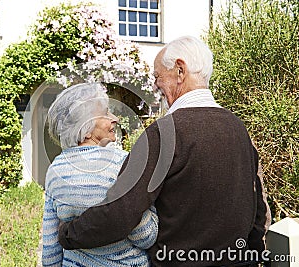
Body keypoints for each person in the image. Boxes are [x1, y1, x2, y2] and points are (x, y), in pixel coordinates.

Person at [58, 36, 271, 266]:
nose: (156, 85)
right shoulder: (237, 127)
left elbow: (119, 213)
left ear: (180, 71)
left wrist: (67, 234)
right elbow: (258, 208)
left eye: (158, 76)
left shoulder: (164, 133)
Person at [41, 83, 158, 267]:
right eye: (105, 114)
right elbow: (145, 236)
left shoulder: (55, 171)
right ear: (86, 127)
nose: (115, 119)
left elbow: (50, 247)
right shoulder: (122, 163)